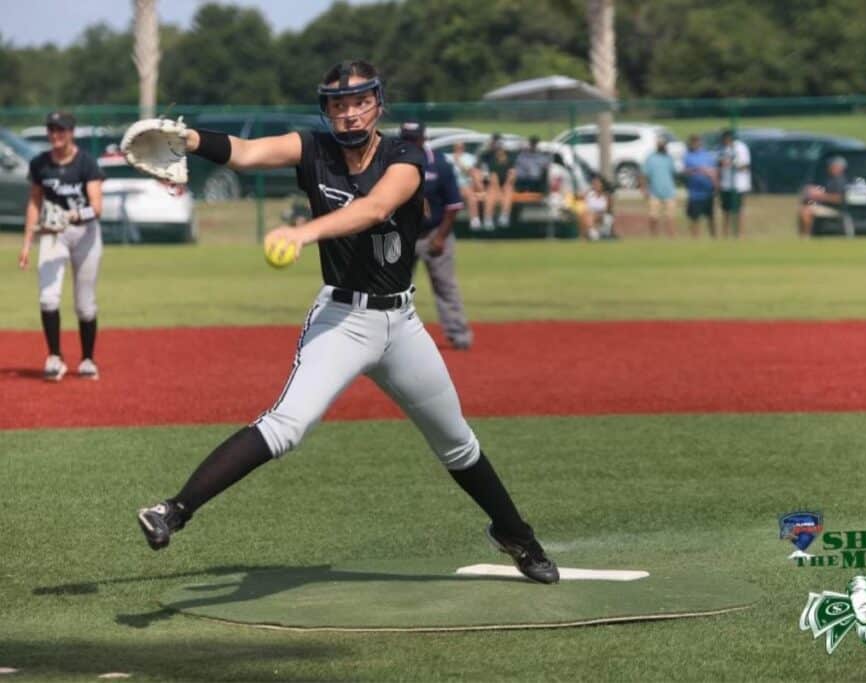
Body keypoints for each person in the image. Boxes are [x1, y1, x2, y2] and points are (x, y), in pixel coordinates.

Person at [135, 61, 558, 584]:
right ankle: (172, 512)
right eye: (338, 104)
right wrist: (191, 137)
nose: (349, 111)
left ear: (378, 103)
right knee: (286, 425)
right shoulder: (313, 148)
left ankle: (515, 534)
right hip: (342, 318)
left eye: (359, 101)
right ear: (326, 110)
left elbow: (377, 207)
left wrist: (305, 231)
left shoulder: (405, 155)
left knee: (457, 443)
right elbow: (245, 153)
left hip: (400, 325)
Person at [17, 111, 104, 381]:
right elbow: (34, 202)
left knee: (85, 304)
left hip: (85, 233)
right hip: (52, 234)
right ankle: (55, 357)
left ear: (71, 132)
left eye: (61, 130)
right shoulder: (40, 164)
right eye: (52, 129)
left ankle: (88, 360)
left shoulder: (86, 163)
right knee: (48, 297)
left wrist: (72, 215)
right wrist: (27, 241)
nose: (56, 135)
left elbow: (97, 208)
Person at [400, 120, 473, 350]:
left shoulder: (439, 164)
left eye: (413, 139)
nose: (409, 143)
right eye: (406, 139)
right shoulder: (391, 163)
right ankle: (391, 338)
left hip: (435, 232)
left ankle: (459, 335)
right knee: (394, 289)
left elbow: (453, 205)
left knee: (445, 286)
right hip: (402, 236)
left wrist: (440, 237)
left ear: (423, 139)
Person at [800, 155, 849, 238]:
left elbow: (840, 199)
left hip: (836, 209)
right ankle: (805, 235)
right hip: (823, 206)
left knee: (805, 211)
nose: (830, 168)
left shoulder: (841, 182)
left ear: (840, 167)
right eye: (830, 165)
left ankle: (805, 237)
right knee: (804, 208)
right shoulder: (828, 179)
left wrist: (820, 196)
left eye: (833, 166)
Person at [475, 133, 516, 230]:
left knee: (508, 188)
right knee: (493, 186)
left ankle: (504, 216)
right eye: (496, 143)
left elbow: (512, 172)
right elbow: (479, 169)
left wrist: (509, 180)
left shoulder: (509, 156)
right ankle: (488, 219)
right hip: (491, 183)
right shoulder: (487, 155)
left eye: (500, 144)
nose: (498, 147)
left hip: (505, 183)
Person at [640, 136, 678, 238]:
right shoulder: (650, 158)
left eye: (664, 144)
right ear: (657, 145)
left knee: (670, 217)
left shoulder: (669, 158)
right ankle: (654, 237)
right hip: (654, 192)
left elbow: (673, 173)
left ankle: (671, 237)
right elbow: (644, 175)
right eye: (660, 144)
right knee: (653, 217)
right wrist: (644, 189)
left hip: (669, 192)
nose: (662, 146)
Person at [682, 134, 718, 238]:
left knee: (711, 217)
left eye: (697, 142)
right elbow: (685, 172)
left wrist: (715, 185)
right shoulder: (688, 156)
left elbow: (714, 172)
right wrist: (697, 169)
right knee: (694, 218)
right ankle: (695, 239)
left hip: (708, 192)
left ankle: (714, 238)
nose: (695, 144)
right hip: (694, 194)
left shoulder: (707, 156)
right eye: (693, 142)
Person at [718, 129, 752, 238]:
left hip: (739, 185)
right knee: (725, 211)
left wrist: (732, 163)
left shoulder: (741, 148)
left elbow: (745, 166)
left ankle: (739, 234)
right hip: (726, 184)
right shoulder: (723, 149)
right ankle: (725, 234)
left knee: (738, 211)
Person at [450, 141, 482, 230]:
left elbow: (470, 172)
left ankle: (475, 220)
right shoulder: (448, 157)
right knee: (467, 192)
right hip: (451, 184)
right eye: (457, 147)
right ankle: (475, 220)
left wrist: (458, 162)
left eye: (461, 147)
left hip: (466, 185)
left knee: (469, 193)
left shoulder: (469, 157)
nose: (459, 149)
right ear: (454, 147)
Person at [578, 175, 614, 241]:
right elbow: (579, 197)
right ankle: (590, 233)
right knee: (584, 214)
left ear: (602, 185)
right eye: (594, 184)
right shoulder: (589, 194)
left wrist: (596, 214)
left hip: (601, 216)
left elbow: (607, 211)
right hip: (589, 216)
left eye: (598, 184)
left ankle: (592, 233)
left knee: (589, 216)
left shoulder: (606, 196)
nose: (596, 185)